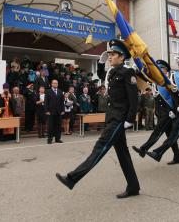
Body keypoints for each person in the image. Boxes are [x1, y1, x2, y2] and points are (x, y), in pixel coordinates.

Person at [56, 39, 140, 199]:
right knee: (123, 154)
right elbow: (103, 76)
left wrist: (130, 119)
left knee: (100, 147)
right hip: (112, 117)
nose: (110, 57)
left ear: (122, 57)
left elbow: (133, 98)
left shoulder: (127, 72)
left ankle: (72, 178)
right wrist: (100, 64)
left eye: (113, 54)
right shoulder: (113, 72)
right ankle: (134, 186)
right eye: (109, 54)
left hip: (119, 119)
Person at [132, 60, 179, 165]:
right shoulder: (156, 82)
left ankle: (143, 149)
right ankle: (177, 157)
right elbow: (144, 76)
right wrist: (136, 71)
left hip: (168, 113)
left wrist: (173, 111)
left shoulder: (169, 83)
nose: (158, 71)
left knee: (157, 132)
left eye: (161, 69)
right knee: (169, 136)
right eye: (157, 69)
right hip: (160, 113)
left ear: (166, 71)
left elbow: (176, 99)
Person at [45, 79, 65, 144]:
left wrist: (63, 110)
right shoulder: (48, 91)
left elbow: (62, 102)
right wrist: (47, 110)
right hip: (50, 112)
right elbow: (46, 102)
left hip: (59, 112)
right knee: (50, 126)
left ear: (57, 84)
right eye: (54, 83)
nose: (55, 84)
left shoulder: (60, 91)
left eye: (56, 83)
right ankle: (49, 139)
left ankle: (57, 139)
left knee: (58, 126)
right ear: (51, 84)